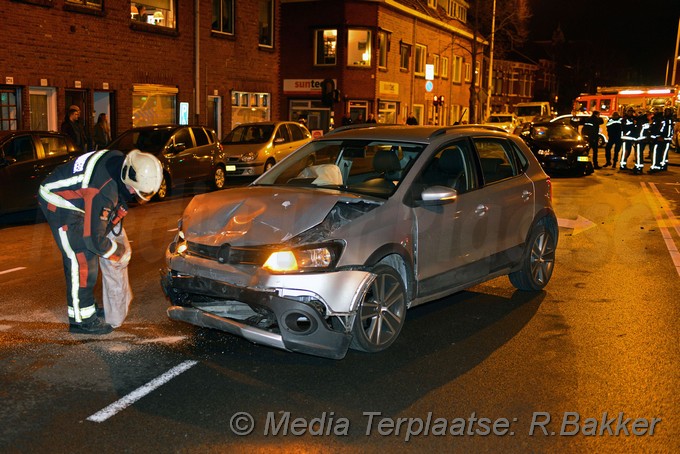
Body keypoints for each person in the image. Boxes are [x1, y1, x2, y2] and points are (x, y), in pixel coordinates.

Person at [38, 149, 163, 334]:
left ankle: (85, 307)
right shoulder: (104, 191)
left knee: (87, 255)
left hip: (79, 197)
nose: (132, 194)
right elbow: (94, 240)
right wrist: (116, 251)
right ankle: (81, 321)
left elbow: (106, 207)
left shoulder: (119, 164)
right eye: (133, 191)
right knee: (81, 258)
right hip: (60, 202)